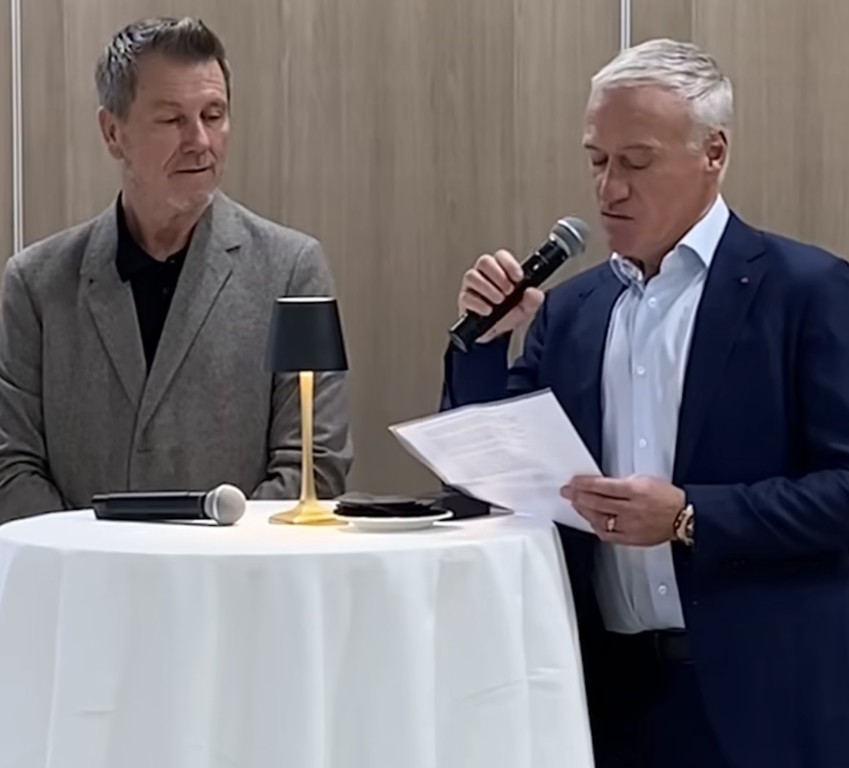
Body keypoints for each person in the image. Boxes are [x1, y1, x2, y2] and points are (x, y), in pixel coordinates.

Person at [442, 38, 849, 768]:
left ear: (713, 152)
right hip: (604, 695)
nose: (609, 189)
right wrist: (481, 346)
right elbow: (489, 484)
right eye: (597, 160)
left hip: (763, 697)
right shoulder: (571, 311)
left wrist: (691, 516)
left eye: (636, 162)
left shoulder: (807, 292)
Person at [0, 17, 352, 522]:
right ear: (113, 132)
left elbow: (312, 468)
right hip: (80, 569)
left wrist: (203, 558)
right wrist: (93, 555)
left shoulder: (291, 271)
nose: (200, 140)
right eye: (172, 120)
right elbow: (11, 465)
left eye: (213, 115)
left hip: (239, 569)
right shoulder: (36, 284)